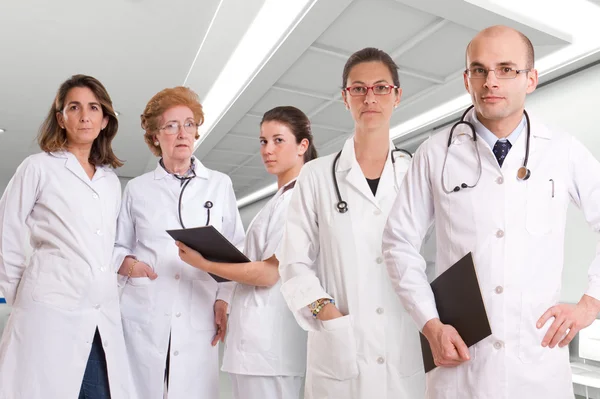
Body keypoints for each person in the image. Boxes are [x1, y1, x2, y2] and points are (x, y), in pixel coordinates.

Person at [382, 25, 600, 398]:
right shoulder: (436, 153)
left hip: (537, 361)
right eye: (479, 70)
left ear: (530, 79)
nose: (490, 82)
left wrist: (590, 304)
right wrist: (430, 323)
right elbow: (397, 242)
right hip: (462, 362)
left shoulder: (563, 151)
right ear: (467, 79)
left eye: (506, 69)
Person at [277, 48, 425, 398]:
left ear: (397, 95)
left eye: (381, 88)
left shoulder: (418, 171)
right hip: (340, 347)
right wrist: (323, 310)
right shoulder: (315, 175)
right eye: (358, 88)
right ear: (345, 98)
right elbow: (293, 261)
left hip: (403, 345)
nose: (369, 97)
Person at [0, 74, 135, 398]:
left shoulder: (110, 181)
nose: (85, 116)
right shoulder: (37, 168)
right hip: (48, 310)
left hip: (101, 313)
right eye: (74, 107)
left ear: (105, 120)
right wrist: (17, 297)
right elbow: (6, 232)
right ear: (61, 118)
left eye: (93, 108)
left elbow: (105, 246)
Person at [113, 86, 245, 399]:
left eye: (189, 123)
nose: (182, 132)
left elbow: (235, 250)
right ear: (155, 136)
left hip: (198, 307)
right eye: (171, 125)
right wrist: (131, 266)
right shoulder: (138, 189)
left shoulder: (219, 184)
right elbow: (118, 247)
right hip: (146, 309)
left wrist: (223, 298)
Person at [177, 105, 315, 399]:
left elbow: (267, 274)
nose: (268, 149)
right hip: (253, 347)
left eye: (279, 140)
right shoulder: (279, 199)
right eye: (263, 141)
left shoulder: (297, 201)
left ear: (303, 145)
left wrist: (205, 263)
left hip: (271, 350)